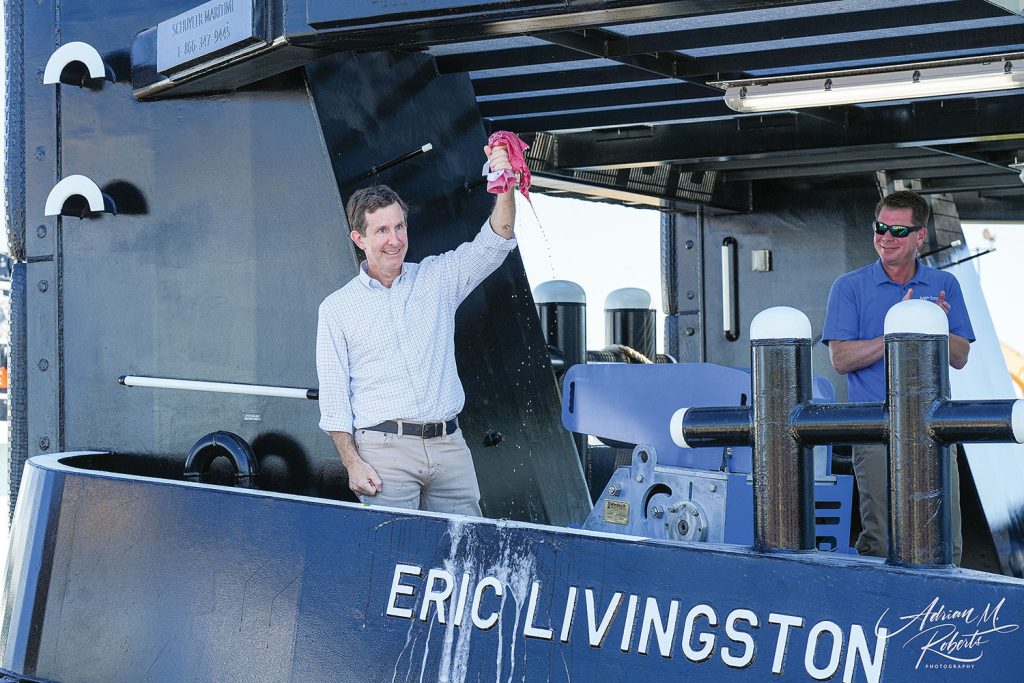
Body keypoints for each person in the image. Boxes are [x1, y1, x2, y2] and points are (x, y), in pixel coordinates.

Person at [315, 144, 519, 515]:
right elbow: (334, 400)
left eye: (399, 226)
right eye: (381, 231)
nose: (395, 239)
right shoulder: (337, 308)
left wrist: (504, 185)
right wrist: (352, 462)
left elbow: (496, 242)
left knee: (466, 553)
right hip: (382, 452)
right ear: (359, 240)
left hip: (449, 447)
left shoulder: (437, 279)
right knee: (390, 552)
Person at [822, 189, 975, 563]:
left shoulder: (945, 285)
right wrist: (898, 332)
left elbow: (961, 356)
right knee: (880, 539)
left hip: (932, 429)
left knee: (946, 537)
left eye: (898, 231)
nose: (886, 237)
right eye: (880, 227)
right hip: (874, 428)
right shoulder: (849, 286)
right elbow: (840, 359)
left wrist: (933, 325)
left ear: (920, 236)